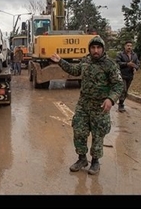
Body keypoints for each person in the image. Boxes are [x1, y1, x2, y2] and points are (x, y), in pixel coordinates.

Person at [50, 36, 124, 175]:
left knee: (97, 135)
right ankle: (82, 159)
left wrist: (111, 99)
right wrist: (60, 61)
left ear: (102, 49)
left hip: (100, 106)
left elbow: (118, 85)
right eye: (93, 48)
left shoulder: (110, 65)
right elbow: (74, 70)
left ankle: (95, 162)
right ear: (89, 49)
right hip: (83, 104)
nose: (96, 51)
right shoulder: (85, 61)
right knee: (79, 131)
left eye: (98, 48)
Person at [115, 40, 140, 112]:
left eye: (130, 46)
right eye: (128, 46)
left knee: (126, 91)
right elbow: (117, 63)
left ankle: (121, 102)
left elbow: (137, 63)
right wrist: (127, 64)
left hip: (130, 76)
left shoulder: (134, 55)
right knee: (123, 89)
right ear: (125, 46)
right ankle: (121, 105)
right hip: (122, 75)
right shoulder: (120, 54)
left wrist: (135, 67)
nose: (129, 47)